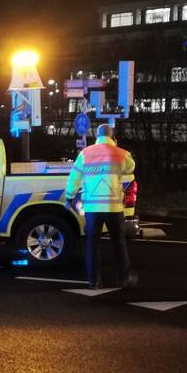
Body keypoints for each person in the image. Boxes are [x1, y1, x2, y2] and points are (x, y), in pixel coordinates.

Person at [65, 124, 136, 289]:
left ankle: (94, 280)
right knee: (118, 243)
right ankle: (124, 278)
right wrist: (115, 147)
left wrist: (69, 197)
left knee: (92, 244)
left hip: (93, 208)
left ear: (96, 135)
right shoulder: (121, 153)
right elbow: (131, 168)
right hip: (114, 208)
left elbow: (74, 177)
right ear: (112, 136)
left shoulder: (86, 153)